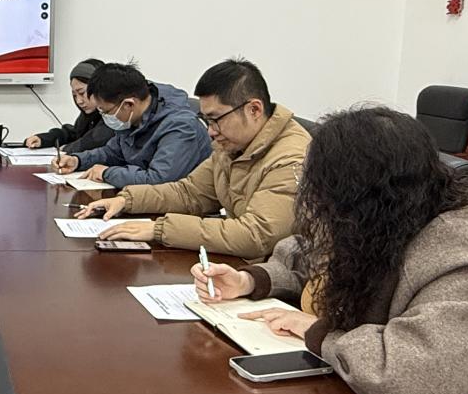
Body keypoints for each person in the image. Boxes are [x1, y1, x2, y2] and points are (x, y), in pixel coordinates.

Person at [191, 107, 468, 394]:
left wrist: (319, 332)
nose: (310, 196)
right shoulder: (387, 217)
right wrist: (250, 279)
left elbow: (414, 380)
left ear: (360, 193)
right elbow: (311, 253)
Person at [79, 58, 309, 258]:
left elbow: (256, 235)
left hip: (275, 277)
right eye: (207, 120)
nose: (210, 131)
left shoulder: (291, 158)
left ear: (254, 110)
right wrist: (127, 200)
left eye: (216, 119)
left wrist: (160, 229)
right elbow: (189, 193)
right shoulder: (232, 145)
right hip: (240, 267)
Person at [51, 62, 210, 188]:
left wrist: (107, 173)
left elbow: (159, 179)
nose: (105, 117)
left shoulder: (180, 126)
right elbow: (112, 152)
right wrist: (78, 161)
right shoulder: (132, 119)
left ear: (128, 104)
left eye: (106, 111)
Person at [24, 59, 111, 154]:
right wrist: (43, 139)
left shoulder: (113, 117)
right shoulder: (88, 116)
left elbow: (94, 141)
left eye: (82, 93)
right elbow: (74, 134)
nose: (79, 101)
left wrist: (68, 148)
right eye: (74, 95)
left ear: (99, 89)